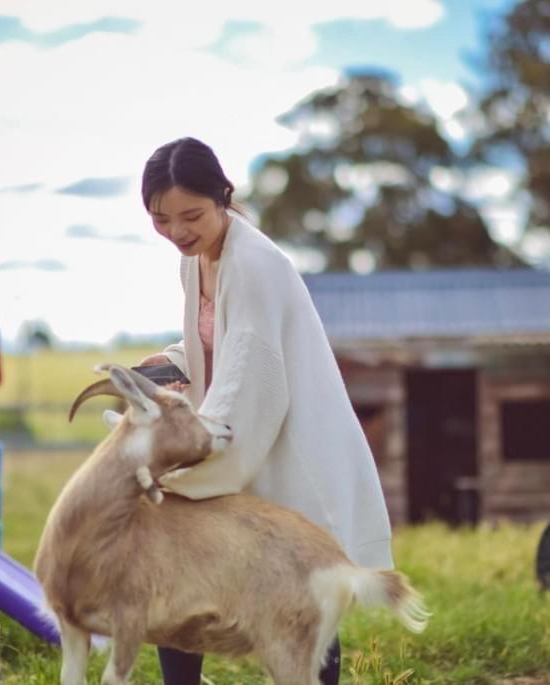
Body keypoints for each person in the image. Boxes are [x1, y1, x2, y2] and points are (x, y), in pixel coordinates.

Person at [137, 136, 394, 685]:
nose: (177, 231)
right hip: (244, 431)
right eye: (161, 219)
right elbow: (222, 343)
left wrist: (188, 454)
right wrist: (171, 360)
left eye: (191, 215)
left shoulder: (254, 263)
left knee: (300, 599)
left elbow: (253, 373)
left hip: (287, 444)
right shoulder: (196, 260)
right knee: (182, 581)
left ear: (223, 197)